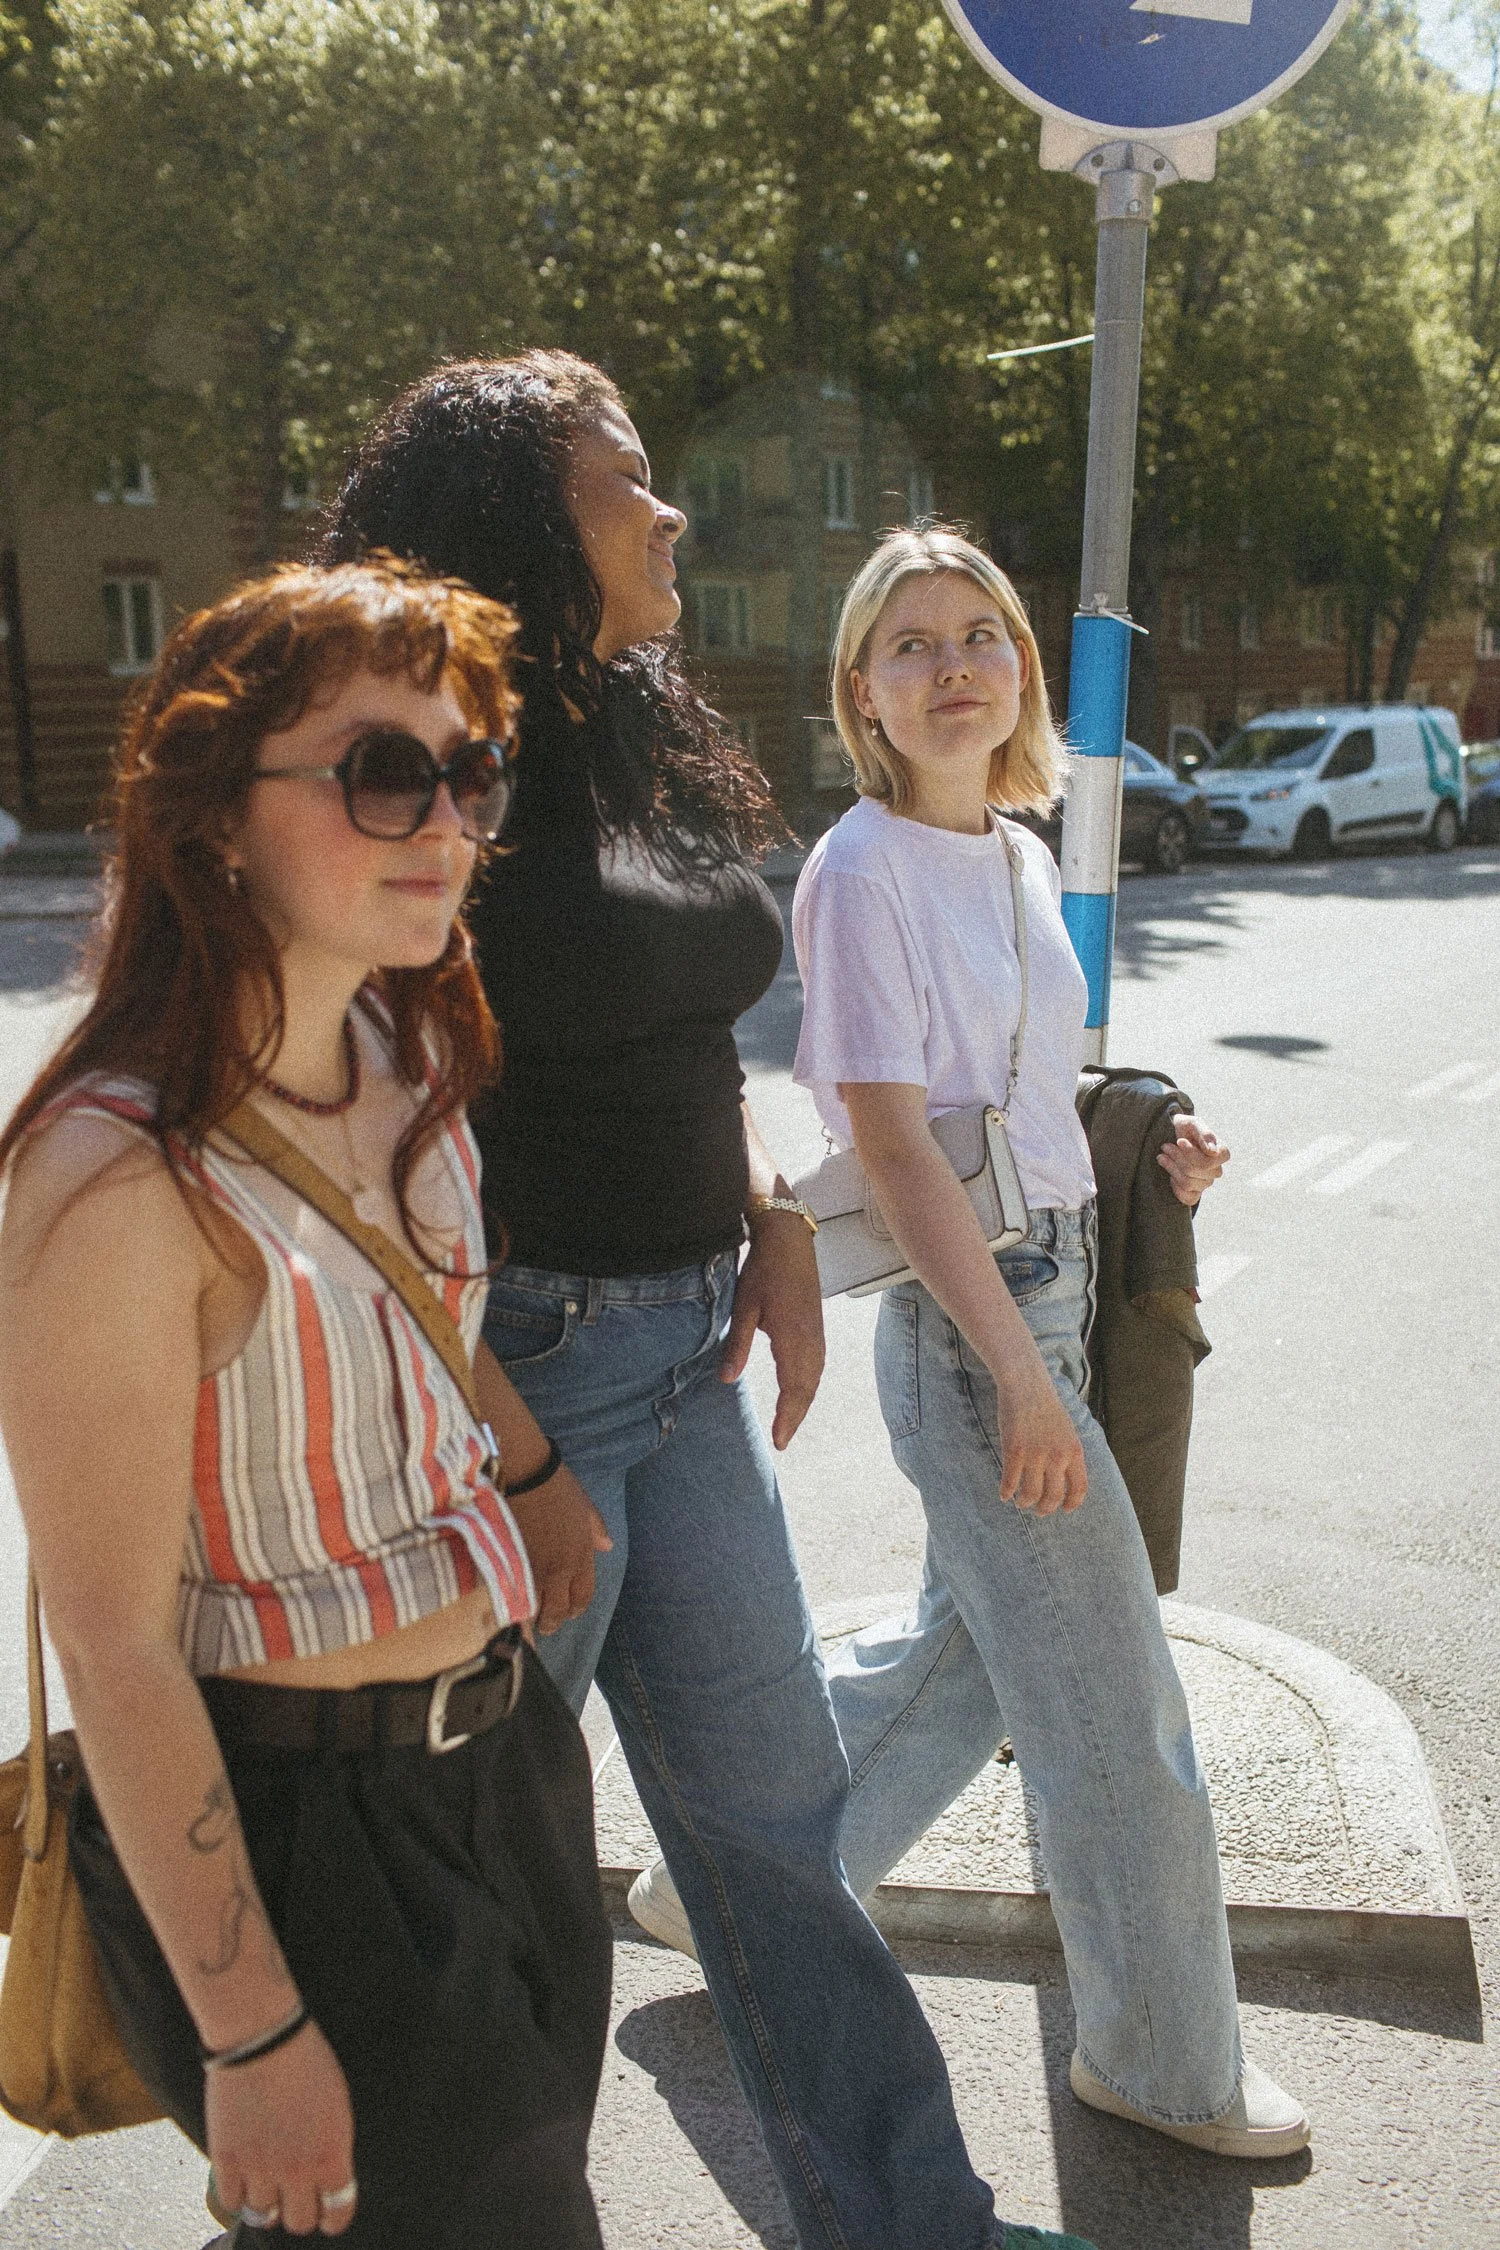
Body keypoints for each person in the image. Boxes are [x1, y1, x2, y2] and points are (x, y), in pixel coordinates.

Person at [319, 356, 1093, 2250]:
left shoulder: (635, 725)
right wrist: (511, 1448)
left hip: (684, 1365)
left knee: (779, 1831)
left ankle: (919, 2226)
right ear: (523, 521)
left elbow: (673, 1022)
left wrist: (764, 1212)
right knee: (483, 1882)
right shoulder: (417, 761)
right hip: (515, 1377)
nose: (669, 511)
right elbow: (346, 1157)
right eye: (626, 481)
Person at [634, 524, 1307, 2160]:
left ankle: (724, 1888)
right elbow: (893, 1143)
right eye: (911, 643)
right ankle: (1164, 2059)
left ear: (1021, 668)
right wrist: (1018, 1373)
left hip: (1048, 1280)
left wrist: (1141, 1146)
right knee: (1117, 1710)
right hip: (974, 1323)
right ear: (862, 691)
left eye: (979, 635)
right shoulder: (859, 870)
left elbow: (1007, 1089)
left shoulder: (1008, 850)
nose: (953, 667)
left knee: (959, 1660)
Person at [0, 558, 614, 2247]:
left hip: (506, 1771)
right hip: (307, 1841)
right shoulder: (114, 1174)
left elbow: (428, 1319)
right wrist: (253, 2028)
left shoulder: (403, 1060)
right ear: (216, 817)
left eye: (469, 770)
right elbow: (111, 1638)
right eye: (382, 772)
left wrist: (531, 1465)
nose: (446, 819)